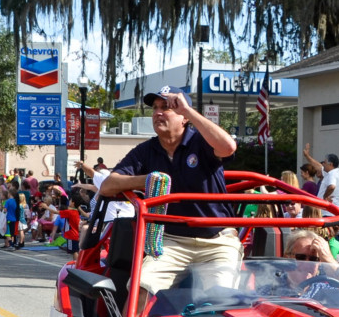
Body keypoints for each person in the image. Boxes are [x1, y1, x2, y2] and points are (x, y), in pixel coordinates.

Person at [100, 86, 241, 296]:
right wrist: (148, 180)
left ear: (183, 117)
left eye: (166, 107)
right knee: (141, 288)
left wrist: (189, 111)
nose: (157, 113)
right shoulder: (146, 150)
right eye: (155, 108)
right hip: (170, 241)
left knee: (220, 298)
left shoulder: (201, 141)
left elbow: (228, 147)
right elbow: (108, 185)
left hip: (217, 241)